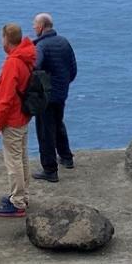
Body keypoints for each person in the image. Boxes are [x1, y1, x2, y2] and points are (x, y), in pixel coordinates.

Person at [0, 22, 38, 216]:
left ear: (6, 39)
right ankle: (22, 195)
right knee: (22, 158)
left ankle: (17, 202)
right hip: (23, 117)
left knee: (14, 162)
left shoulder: (13, 62)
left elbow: (6, 98)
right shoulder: (26, 56)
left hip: (13, 119)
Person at [31, 13, 78, 182]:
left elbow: (35, 66)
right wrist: (63, 84)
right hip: (61, 92)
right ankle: (66, 157)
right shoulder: (64, 42)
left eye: (35, 25)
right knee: (58, 124)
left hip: (46, 96)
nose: (34, 27)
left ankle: (50, 170)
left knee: (45, 131)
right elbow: (73, 69)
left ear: (42, 26)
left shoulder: (41, 46)